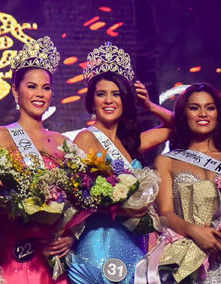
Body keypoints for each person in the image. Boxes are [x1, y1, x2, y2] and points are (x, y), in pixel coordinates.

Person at [69, 42, 172, 284]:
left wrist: (149, 105)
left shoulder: (132, 143)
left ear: (125, 99)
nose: (109, 100)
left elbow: (178, 125)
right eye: (101, 94)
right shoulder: (86, 138)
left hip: (134, 245)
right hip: (98, 247)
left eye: (116, 93)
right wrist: (128, 208)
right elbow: (84, 200)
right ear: (91, 101)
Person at [0, 36, 72, 283]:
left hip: (54, 253)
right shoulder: (2, 136)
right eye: (31, 86)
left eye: (46, 87)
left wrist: (71, 236)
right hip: (17, 253)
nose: (40, 94)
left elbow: (80, 199)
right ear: (15, 90)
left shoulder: (62, 142)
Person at [136, 83, 221, 283]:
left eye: (210, 107)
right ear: (184, 114)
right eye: (194, 107)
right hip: (183, 257)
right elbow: (165, 214)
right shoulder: (167, 161)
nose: (203, 114)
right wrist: (195, 232)